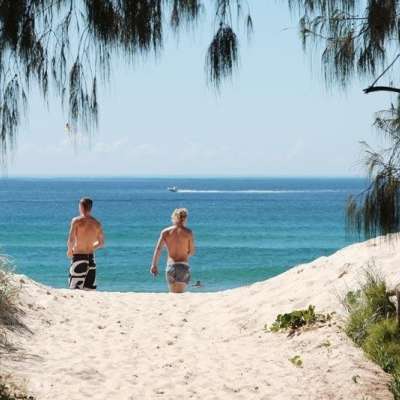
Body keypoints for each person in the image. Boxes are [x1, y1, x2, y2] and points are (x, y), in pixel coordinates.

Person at [150, 208, 195, 293]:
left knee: (173, 294)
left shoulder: (165, 232)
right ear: (185, 218)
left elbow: (158, 249)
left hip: (170, 266)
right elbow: (192, 252)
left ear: (174, 217)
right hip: (183, 266)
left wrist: (154, 265)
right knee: (180, 296)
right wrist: (185, 253)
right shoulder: (188, 232)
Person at [67, 198, 105, 290]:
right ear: (91, 208)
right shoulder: (97, 223)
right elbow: (101, 243)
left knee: (75, 290)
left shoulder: (76, 221)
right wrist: (91, 246)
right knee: (89, 290)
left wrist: (69, 251)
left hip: (79, 257)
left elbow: (71, 239)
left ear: (81, 207)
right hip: (91, 258)